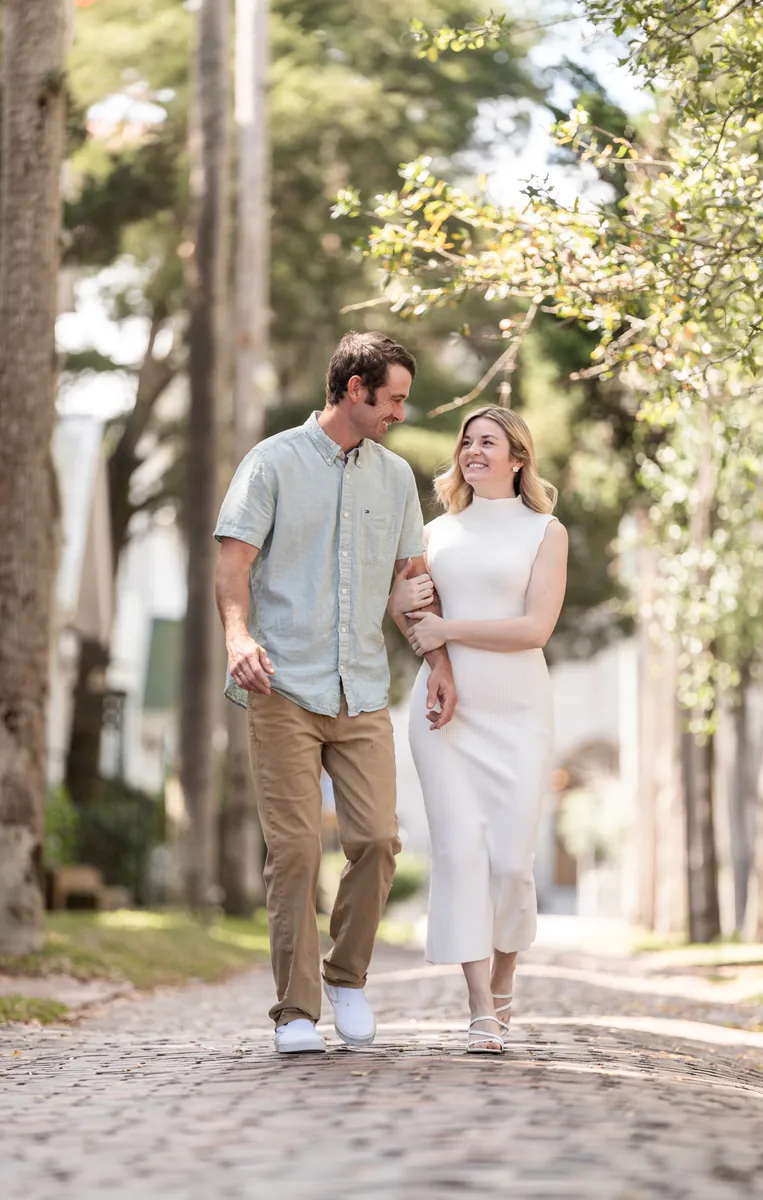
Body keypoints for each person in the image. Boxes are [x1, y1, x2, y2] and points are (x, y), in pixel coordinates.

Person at [214, 331, 456, 1055]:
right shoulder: (273, 464)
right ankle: (294, 1012)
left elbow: (412, 583)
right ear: (355, 390)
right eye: (394, 399)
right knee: (293, 851)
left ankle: (346, 975)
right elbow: (234, 562)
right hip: (283, 682)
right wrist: (237, 638)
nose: (401, 414)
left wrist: (437, 663)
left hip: (362, 690)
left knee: (378, 840)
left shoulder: (394, 478)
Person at [388, 406, 567, 1054]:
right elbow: (406, 604)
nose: (473, 451)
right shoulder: (436, 532)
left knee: (511, 863)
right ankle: (478, 1008)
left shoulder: (546, 532)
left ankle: (505, 978)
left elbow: (535, 630)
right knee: (461, 852)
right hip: (447, 715)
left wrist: (451, 630)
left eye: (487, 442)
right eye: (467, 441)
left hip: (520, 712)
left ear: (518, 457)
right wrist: (435, 657)